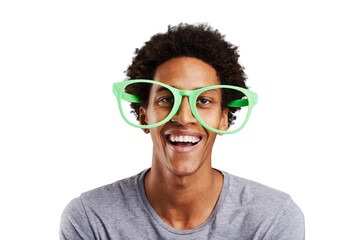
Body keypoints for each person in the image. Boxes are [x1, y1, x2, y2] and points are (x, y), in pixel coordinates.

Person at [60, 23, 305, 239]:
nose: (184, 117)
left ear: (224, 119)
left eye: (204, 101)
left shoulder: (272, 219)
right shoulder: (91, 218)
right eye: (166, 99)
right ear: (144, 115)